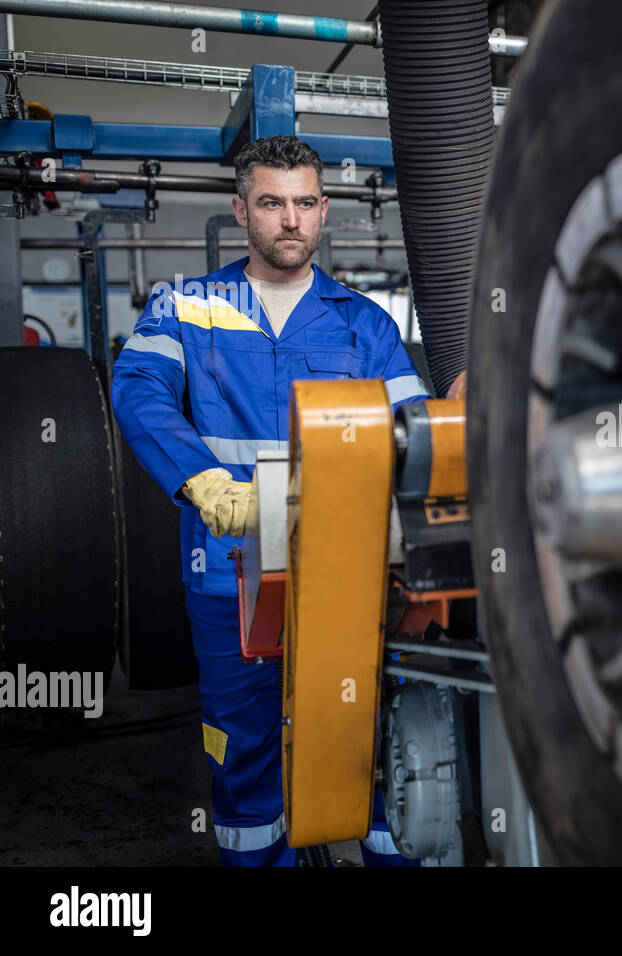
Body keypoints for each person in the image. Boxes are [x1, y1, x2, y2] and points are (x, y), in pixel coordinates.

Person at [111, 134, 448, 866]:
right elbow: (136, 387)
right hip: (228, 570)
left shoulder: (364, 323)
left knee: (367, 739)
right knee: (245, 754)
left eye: (303, 203)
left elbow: (411, 431)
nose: (289, 221)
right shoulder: (188, 308)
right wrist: (198, 477)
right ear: (241, 210)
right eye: (271, 204)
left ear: (324, 211)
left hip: (349, 574)